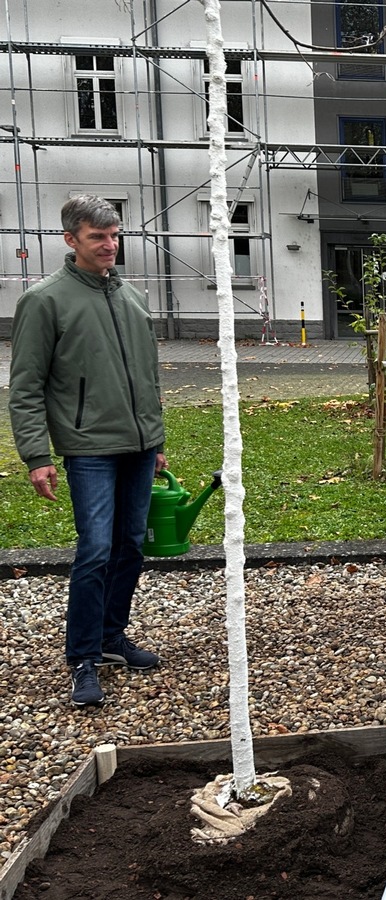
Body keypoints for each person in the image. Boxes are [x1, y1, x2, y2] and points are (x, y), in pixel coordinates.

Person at [8, 194, 167, 708]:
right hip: (88, 449)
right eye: (98, 236)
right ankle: (82, 658)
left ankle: (111, 638)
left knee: (130, 546)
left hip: (138, 446)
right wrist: (36, 456)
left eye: (114, 235)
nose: (110, 245)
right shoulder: (44, 300)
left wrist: (156, 439)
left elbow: (148, 378)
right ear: (70, 239)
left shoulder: (132, 298)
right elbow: (26, 386)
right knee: (95, 551)